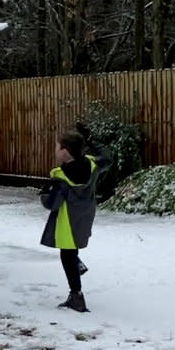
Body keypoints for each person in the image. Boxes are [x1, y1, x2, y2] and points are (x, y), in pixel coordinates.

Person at [40, 127, 110, 312]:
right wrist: (92, 139)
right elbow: (107, 158)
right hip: (85, 217)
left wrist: (46, 190)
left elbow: (51, 204)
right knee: (73, 252)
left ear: (65, 151)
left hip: (67, 222)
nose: (55, 151)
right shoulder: (92, 164)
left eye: (57, 147)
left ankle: (76, 296)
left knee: (67, 255)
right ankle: (77, 268)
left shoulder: (61, 178)